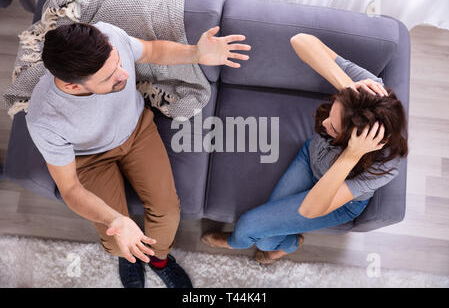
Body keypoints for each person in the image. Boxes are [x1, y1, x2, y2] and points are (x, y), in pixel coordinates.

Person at [25, 22, 251, 287]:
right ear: (74, 86)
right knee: (114, 240)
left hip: (137, 131)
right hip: (90, 158)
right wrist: (116, 219)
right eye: (109, 77)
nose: (124, 75)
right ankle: (129, 258)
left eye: (119, 63)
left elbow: (153, 50)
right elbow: (71, 188)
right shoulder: (44, 119)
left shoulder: (109, 36)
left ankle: (160, 261)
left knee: (168, 213)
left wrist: (196, 53)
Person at [201, 33, 408, 264]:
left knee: (252, 230)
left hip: (339, 200)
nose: (324, 124)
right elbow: (300, 41)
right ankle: (289, 243)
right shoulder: (370, 91)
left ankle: (237, 242)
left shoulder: (386, 166)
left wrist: (351, 155)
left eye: (334, 129)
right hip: (310, 157)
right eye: (332, 114)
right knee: (267, 239)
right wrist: (349, 88)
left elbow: (310, 210)